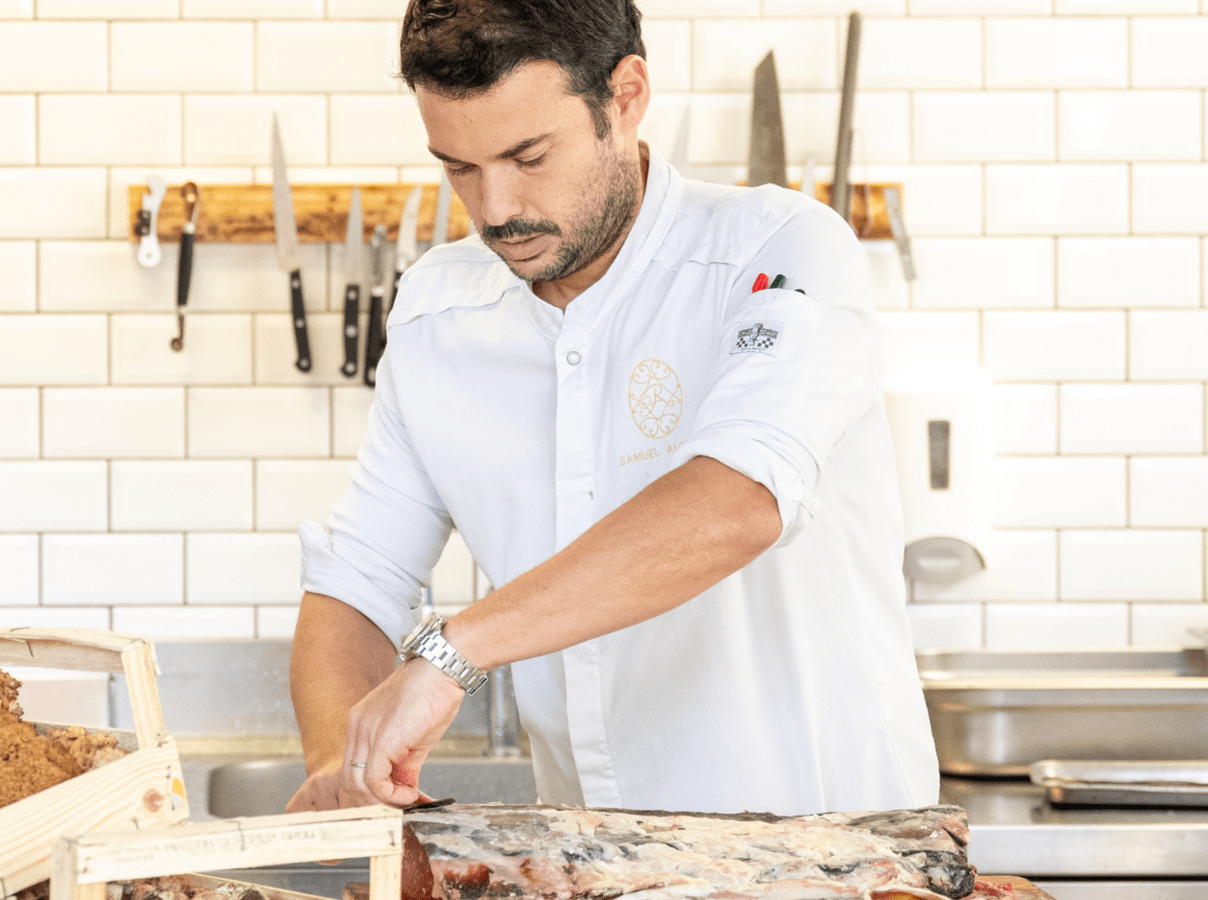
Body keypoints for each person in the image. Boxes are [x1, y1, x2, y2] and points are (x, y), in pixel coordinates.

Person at [288, 0, 939, 818]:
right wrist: (345, 768)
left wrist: (454, 652)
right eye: (459, 168)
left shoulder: (780, 251)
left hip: (835, 853)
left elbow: (738, 502)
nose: (496, 209)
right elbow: (359, 581)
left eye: (528, 157)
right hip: (589, 863)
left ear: (625, 96)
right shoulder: (436, 314)